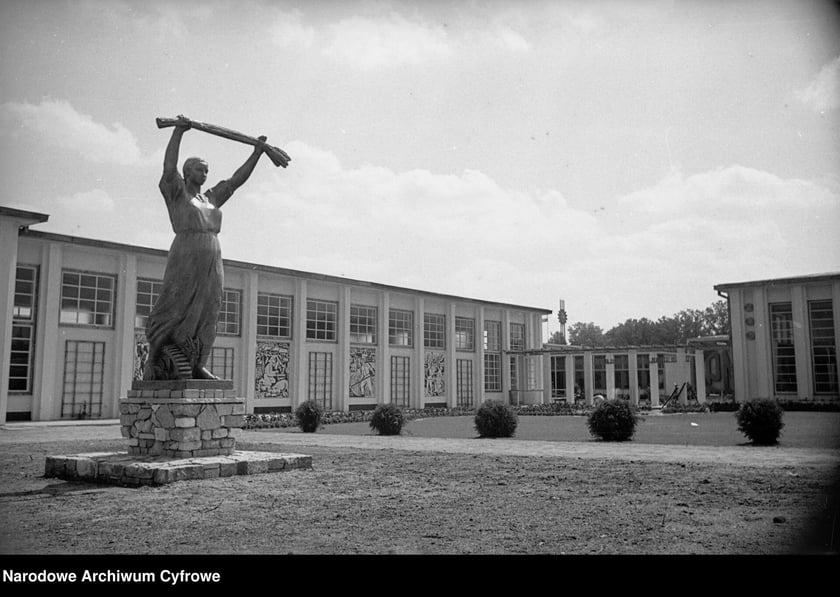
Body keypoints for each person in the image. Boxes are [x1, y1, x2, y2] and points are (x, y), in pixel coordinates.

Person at [144, 115, 267, 380]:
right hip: (186, 252)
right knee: (176, 304)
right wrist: (179, 132)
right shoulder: (178, 193)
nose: (205, 174)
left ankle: (197, 363)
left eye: (207, 170)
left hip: (213, 254)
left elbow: (235, 181)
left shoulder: (211, 198)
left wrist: (257, 153)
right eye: (200, 169)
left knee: (210, 308)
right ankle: (155, 356)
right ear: (188, 173)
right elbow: (168, 168)